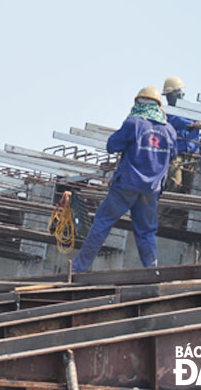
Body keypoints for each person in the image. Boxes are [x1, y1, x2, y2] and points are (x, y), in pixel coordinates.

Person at [72, 87, 177, 272]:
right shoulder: (169, 130)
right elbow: (173, 155)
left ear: (138, 103)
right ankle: (152, 271)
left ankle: (79, 269)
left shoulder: (134, 123)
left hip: (126, 185)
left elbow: (112, 145)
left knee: (102, 223)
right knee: (146, 231)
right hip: (151, 189)